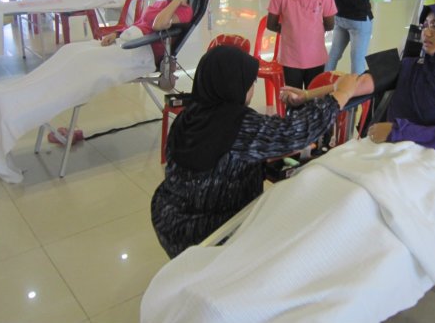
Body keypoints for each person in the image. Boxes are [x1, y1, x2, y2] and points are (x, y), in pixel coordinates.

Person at [0, 0, 194, 184]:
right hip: (126, 43)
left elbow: (158, 24)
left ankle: (14, 110)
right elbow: (140, 24)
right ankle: (7, 97)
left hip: (140, 54)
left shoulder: (183, 10)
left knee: (80, 63)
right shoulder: (158, 4)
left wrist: (177, 2)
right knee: (70, 51)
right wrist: (117, 33)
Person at [150, 45, 359, 258]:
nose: (252, 88)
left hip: (168, 218)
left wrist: (301, 101)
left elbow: (259, 138)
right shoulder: (237, 125)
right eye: (250, 83)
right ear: (233, 85)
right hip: (210, 234)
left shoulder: (189, 116)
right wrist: (340, 95)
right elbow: (296, 132)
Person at [285, 1, 435, 175]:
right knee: (322, 173)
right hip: (386, 152)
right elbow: (356, 83)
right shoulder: (411, 65)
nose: (426, 32)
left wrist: (397, 130)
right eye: (425, 25)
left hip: (425, 166)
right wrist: (306, 95)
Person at [267, 0, 337, 89]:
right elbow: (271, 24)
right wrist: (290, 30)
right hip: (291, 60)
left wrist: (312, 31)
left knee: (314, 98)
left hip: (316, 59)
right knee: (293, 97)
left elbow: (330, 24)